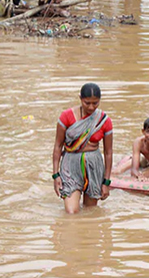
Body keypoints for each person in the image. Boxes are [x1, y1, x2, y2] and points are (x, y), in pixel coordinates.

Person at [52, 83, 113, 214]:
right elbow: (57, 146)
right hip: (70, 165)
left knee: (90, 211)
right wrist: (56, 175)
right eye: (87, 103)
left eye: (95, 103)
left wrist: (106, 182)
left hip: (93, 166)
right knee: (71, 212)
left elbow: (108, 152)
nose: (91, 107)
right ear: (80, 98)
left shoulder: (104, 120)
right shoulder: (66, 116)